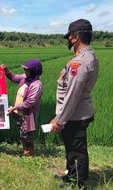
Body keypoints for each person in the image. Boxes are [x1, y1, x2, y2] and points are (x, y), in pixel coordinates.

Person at [51, 19, 99, 188]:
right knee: (73, 147)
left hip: (75, 114)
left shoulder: (79, 62)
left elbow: (72, 95)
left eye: (70, 37)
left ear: (75, 37)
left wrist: (60, 119)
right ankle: (72, 175)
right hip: (77, 112)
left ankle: (77, 183)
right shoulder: (88, 56)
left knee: (76, 150)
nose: (69, 41)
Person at [0, 59, 43, 157]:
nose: (25, 71)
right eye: (25, 69)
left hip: (28, 114)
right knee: (22, 132)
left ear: (34, 70)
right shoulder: (25, 78)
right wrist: (7, 71)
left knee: (27, 134)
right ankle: (26, 151)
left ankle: (30, 154)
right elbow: (14, 78)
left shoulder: (36, 84)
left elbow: (30, 102)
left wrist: (15, 107)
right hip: (19, 112)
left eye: (27, 70)